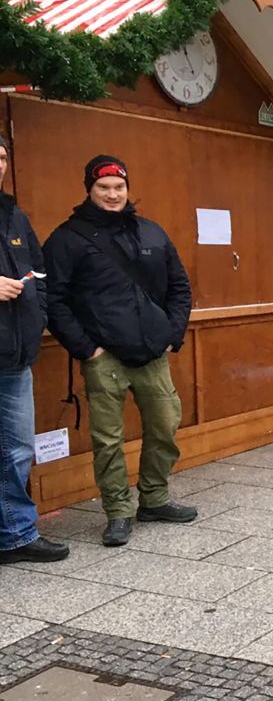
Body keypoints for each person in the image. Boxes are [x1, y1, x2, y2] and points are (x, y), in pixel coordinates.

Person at [45, 156, 197, 548]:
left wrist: (171, 334)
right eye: (104, 188)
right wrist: (86, 349)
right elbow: (54, 300)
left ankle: (155, 498)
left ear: (128, 189)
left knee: (165, 426)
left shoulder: (152, 232)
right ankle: (117, 511)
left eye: (119, 187)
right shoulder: (67, 238)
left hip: (153, 354)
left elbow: (180, 287)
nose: (112, 195)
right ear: (89, 190)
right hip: (104, 357)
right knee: (108, 439)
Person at [0, 137, 69, 565]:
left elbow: (39, 274)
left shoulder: (13, 215)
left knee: (19, 448)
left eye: (2, 156)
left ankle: (15, 534)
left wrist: (37, 316)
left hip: (14, 358)